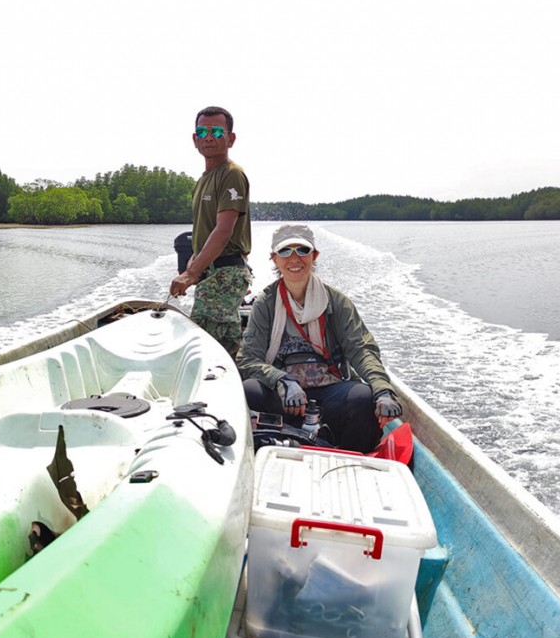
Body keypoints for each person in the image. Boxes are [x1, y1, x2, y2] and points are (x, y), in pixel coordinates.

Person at [236, 224, 402, 453]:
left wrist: (383, 390)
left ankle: (347, 453)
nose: (294, 258)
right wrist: (282, 380)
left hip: (329, 388)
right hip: (283, 394)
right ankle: (283, 441)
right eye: (285, 252)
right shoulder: (266, 303)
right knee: (250, 391)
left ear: (314, 256)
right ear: (274, 259)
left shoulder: (336, 301)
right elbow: (248, 359)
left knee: (364, 397)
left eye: (302, 251)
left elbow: (361, 349)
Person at [169, 106, 252, 359]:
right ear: (194, 139)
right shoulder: (204, 179)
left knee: (211, 351)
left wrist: (189, 274)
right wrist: (192, 269)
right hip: (210, 275)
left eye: (217, 131)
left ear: (231, 138)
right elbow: (204, 234)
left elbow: (223, 231)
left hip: (225, 275)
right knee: (204, 344)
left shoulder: (231, 175)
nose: (209, 137)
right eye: (202, 132)